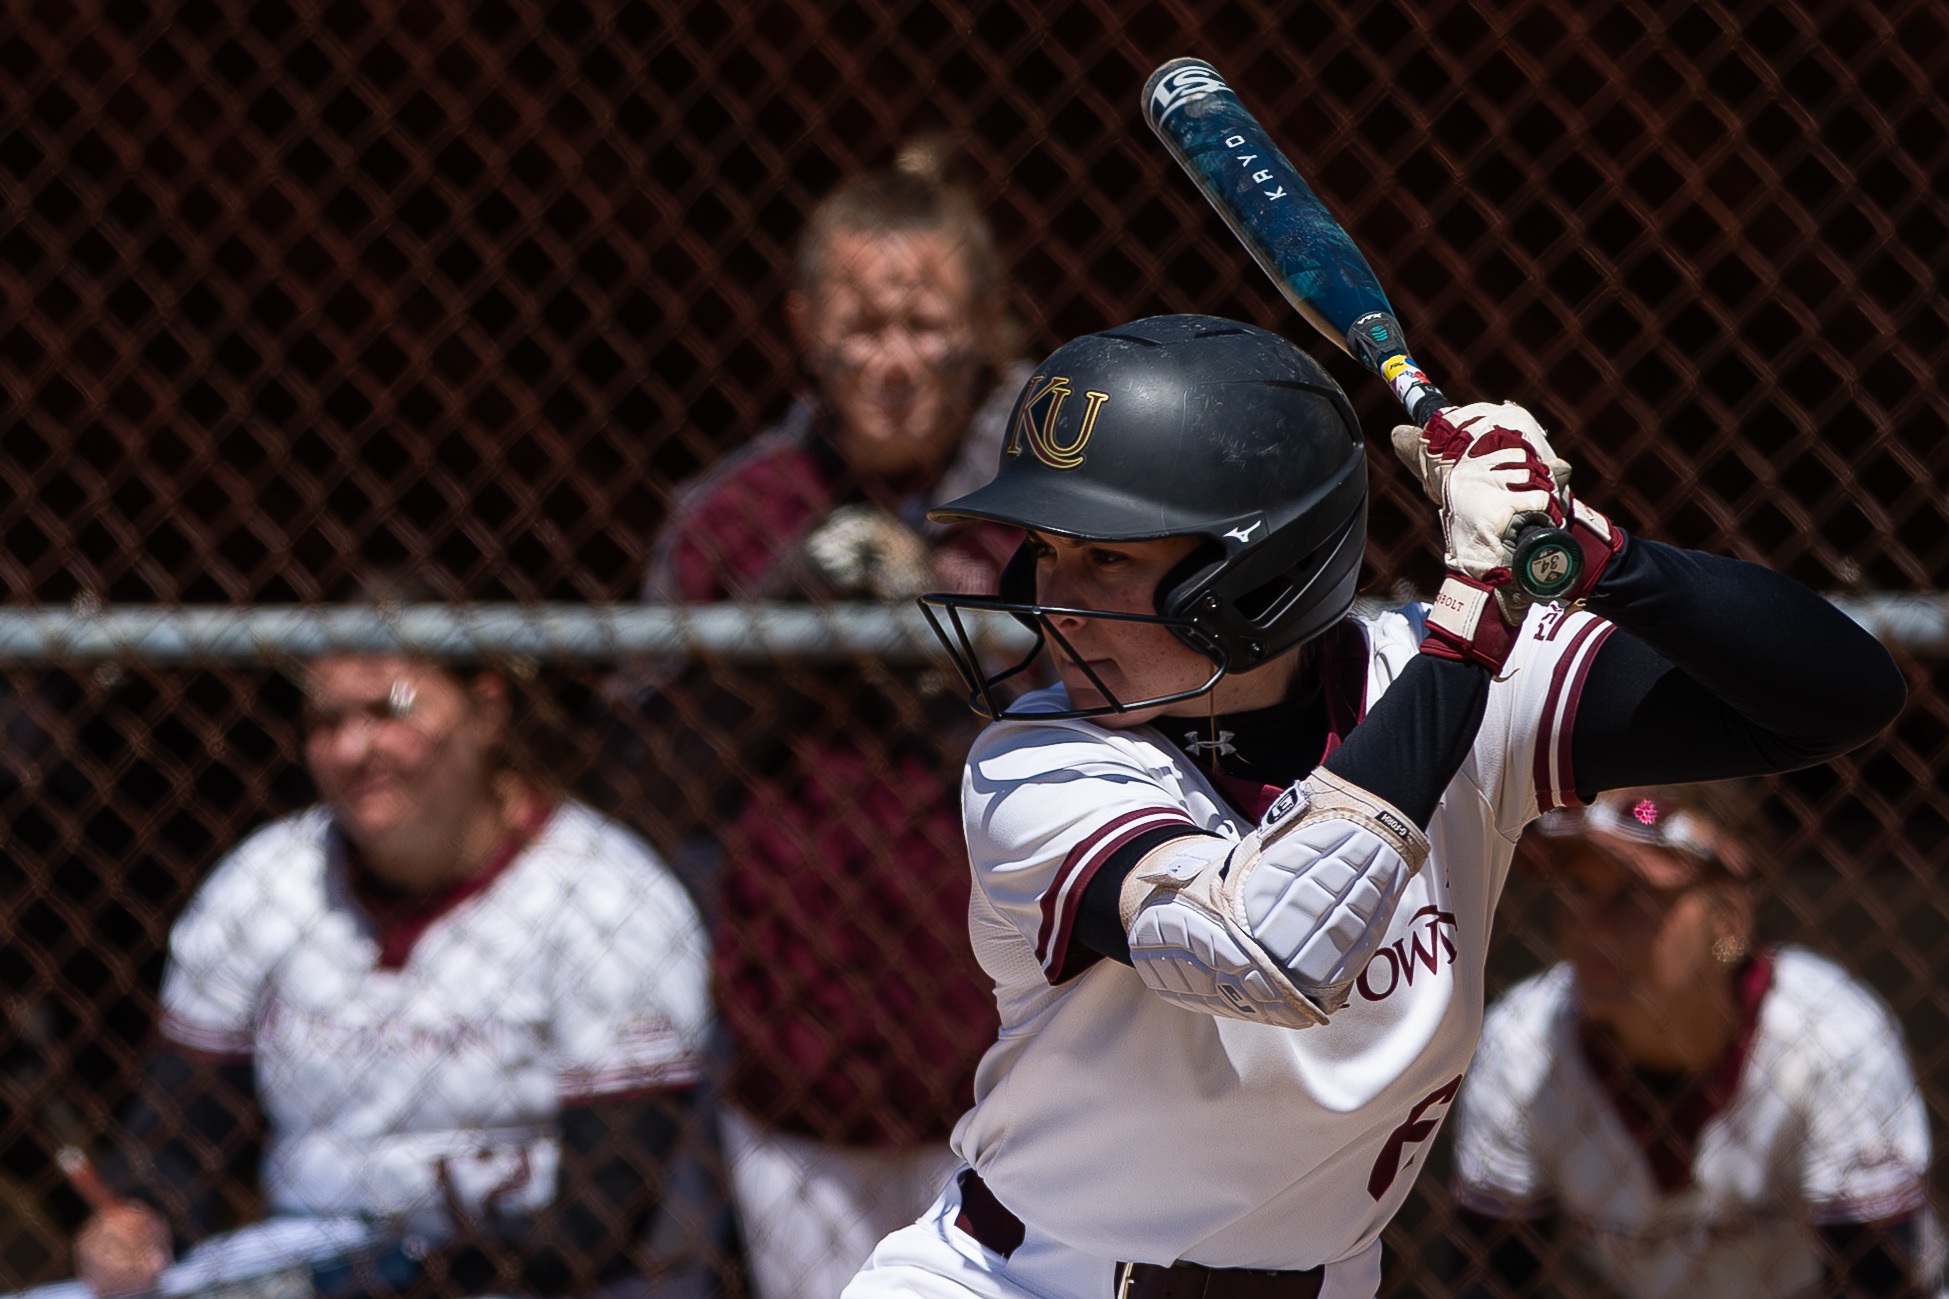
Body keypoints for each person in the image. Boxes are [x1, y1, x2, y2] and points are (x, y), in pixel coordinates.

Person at [842, 313, 1906, 1299]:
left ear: (1254, 574)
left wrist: (1594, 551)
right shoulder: (1035, 767)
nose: (1052, 597)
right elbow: (1264, 950)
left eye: (1108, 557)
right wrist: (1469, 627)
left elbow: (1830, 698)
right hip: (1023, 1281)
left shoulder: (1449, 673)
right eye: (1051, 551)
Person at [619, 143, 1024, 1299]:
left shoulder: (1050, 513)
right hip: (797, 1075)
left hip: (1017, 1075)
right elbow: (651, 783)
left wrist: (928, 640)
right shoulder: (735, 516)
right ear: (804, 329)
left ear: (985, 325)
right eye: (862, 327)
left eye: (924, 324)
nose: (893, 362)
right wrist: (791, 607)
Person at [71, 646, 715, 1299]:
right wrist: (139, 1222)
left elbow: (609, 1206)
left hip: (530, 1277)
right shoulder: (264, 881)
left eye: (390, 710)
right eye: (325, 721)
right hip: (307, 1261)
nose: (354, 747)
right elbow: (181, 1137)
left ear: (486, 712)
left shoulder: (607, 893)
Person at [1449, 781, 1940, 1299]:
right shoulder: (1523, 1043)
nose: (1591, 927)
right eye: (1578, 888)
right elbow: (1489, 1277)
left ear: (1729, 916)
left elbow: (1883, 1283)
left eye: (1634, 895)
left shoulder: (1833, 1038)